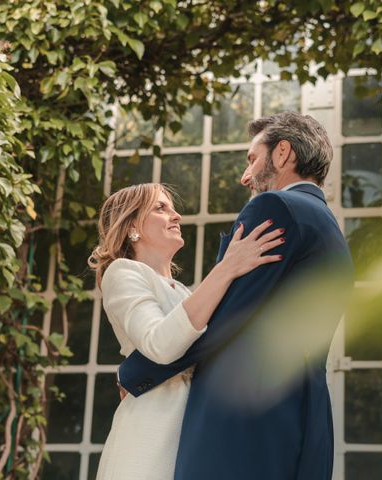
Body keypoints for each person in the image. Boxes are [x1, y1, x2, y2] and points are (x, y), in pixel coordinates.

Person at [117, 111, 354, 480]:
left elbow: (229, 316)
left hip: (244, 424)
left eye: (252, 159)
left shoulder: (275, 207)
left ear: (282, 154)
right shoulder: (330, 230)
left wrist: (134, 373)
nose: (245, 177)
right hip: (306, 418)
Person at [88, 183, 285, 480]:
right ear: (131, 226)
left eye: (172, 207)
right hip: (151, 435)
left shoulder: (183, 292)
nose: (176, 215)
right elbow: (161, 344)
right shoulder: (123, 272)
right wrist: (226, 268)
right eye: (161, 208)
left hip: (197, 433)